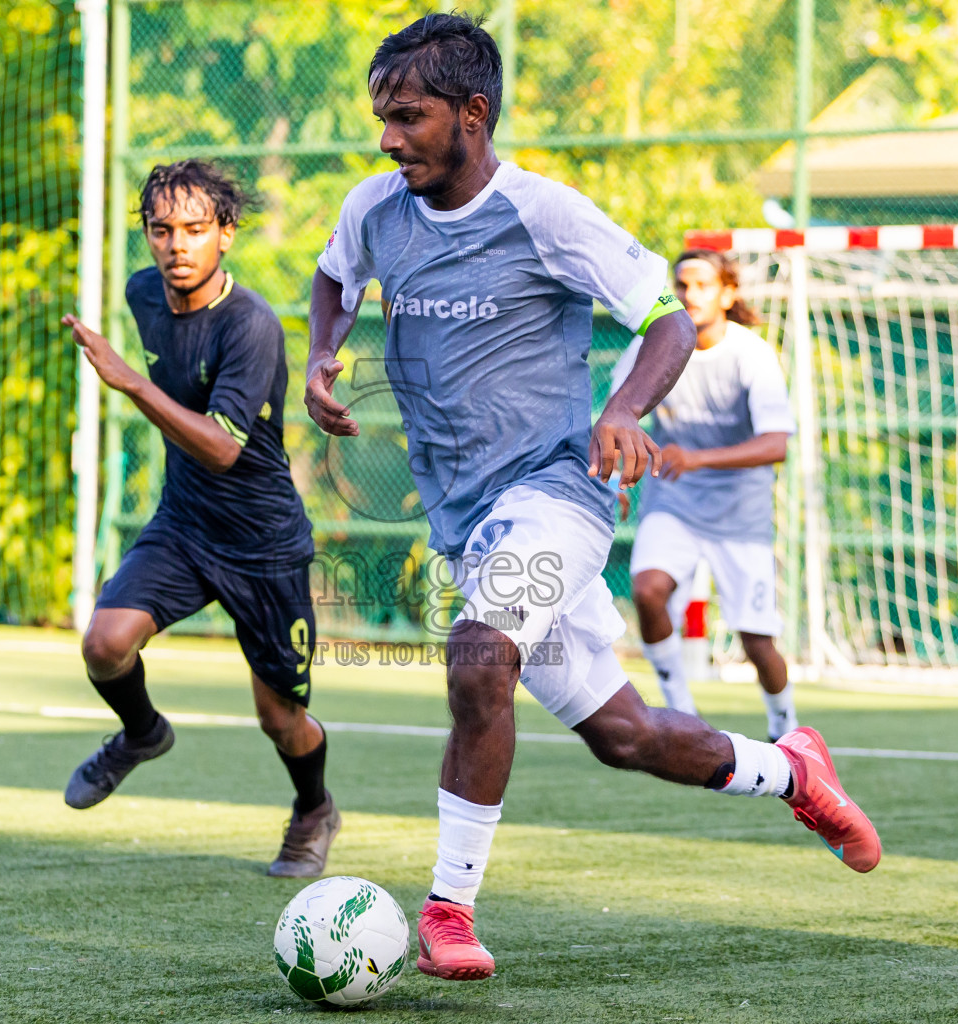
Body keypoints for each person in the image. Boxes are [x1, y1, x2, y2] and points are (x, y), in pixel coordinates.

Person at [306, 12, 881, 984]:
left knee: (478, 658)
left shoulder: (546, 214)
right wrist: (324, 351)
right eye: (383, 119)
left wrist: (622, 409)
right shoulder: (375, 208)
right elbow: (333, 277)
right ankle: (793, 769)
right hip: (468, 524)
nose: (389, 139)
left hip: (556, 494)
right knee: (626, 736)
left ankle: (448, 908)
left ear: (473, 112)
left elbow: (665, 320)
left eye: (408, 117)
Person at [60, 160, 336, 878]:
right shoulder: (142, 293)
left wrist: (128, 381)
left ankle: (313, 809)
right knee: (104, 644)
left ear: (226, 233)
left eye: (194, 228)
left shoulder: (252, 326)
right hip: (184, 525)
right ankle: (142, 733)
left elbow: (220, 448)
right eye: (161, 230)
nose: (176, 245)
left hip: (263, 542)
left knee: (280, 719)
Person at [613, 250, 798, 740]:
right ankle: (681, 714)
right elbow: (618, 420)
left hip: (740, 514)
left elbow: (776, 445)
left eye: (703, 284)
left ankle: (785, 727)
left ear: (728, 293)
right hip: (673, 502)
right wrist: (614, 482)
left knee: (757, 640)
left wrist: (697, 458)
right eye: (682, 284)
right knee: (647, 591)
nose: (690, 294)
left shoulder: (752, 354)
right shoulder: (650, 346)